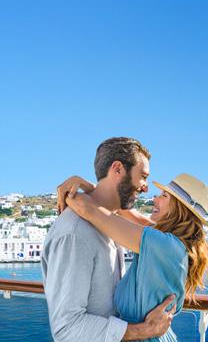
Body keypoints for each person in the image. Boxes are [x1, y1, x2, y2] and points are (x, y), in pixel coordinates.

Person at [42, 137, 176, 342]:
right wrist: (144, 330)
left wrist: (88, 188)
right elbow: (66, 328)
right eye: (143, 176)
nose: (146, 188)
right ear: (118, 169)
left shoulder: (109, 224)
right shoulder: (75, 233)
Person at [59, 170, 208, 342]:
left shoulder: (163, 244)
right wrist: (87, 185)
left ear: (179, 208)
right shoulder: (172, 243)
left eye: (164, 196)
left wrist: (69, 191)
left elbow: (87, 209)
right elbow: (123, 211)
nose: (155, 199)